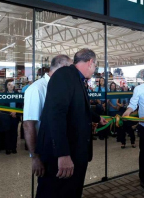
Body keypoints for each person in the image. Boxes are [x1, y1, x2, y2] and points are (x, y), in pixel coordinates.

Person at [35, 48, 107, 198]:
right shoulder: (64, 75)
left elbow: (78, 107)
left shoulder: (76, 78)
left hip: (75, 153)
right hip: (63, 156)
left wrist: (97, 118)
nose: (94, 70)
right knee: (55, 192)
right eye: (95, 66)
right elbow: (56, 115)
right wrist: (63, 154)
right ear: (90, 62)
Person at [23, 55, 72, 177]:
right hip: (46, 153)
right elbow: (28, 125)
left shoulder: (62, 88)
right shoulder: (37, 89)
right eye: (70, 68)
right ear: (62, 67)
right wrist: (35, 157)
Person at [0, 79, 23, 155]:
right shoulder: (3, 95)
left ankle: (14, 148)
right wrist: (10, 112)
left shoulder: (17, 94)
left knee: (14, 132)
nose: (11, 86)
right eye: (9, 84)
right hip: (7, 116)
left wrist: (16, 112)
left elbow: (20, 104)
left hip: (15, 116)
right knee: (7, 132)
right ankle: (7, 148)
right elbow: (2, 106)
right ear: (6, 86)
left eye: (12, 84)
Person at [117, 84, 136, 149]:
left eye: (126, 86)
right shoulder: (120, 94)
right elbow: (117, 103)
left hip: (129, 112)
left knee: (130, 129)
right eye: (124, 86)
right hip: (122, 111)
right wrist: (120, 105)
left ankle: (133, 142)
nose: (125, 87)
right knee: (122, 129)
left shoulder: (130, 94)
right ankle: (123, 143)